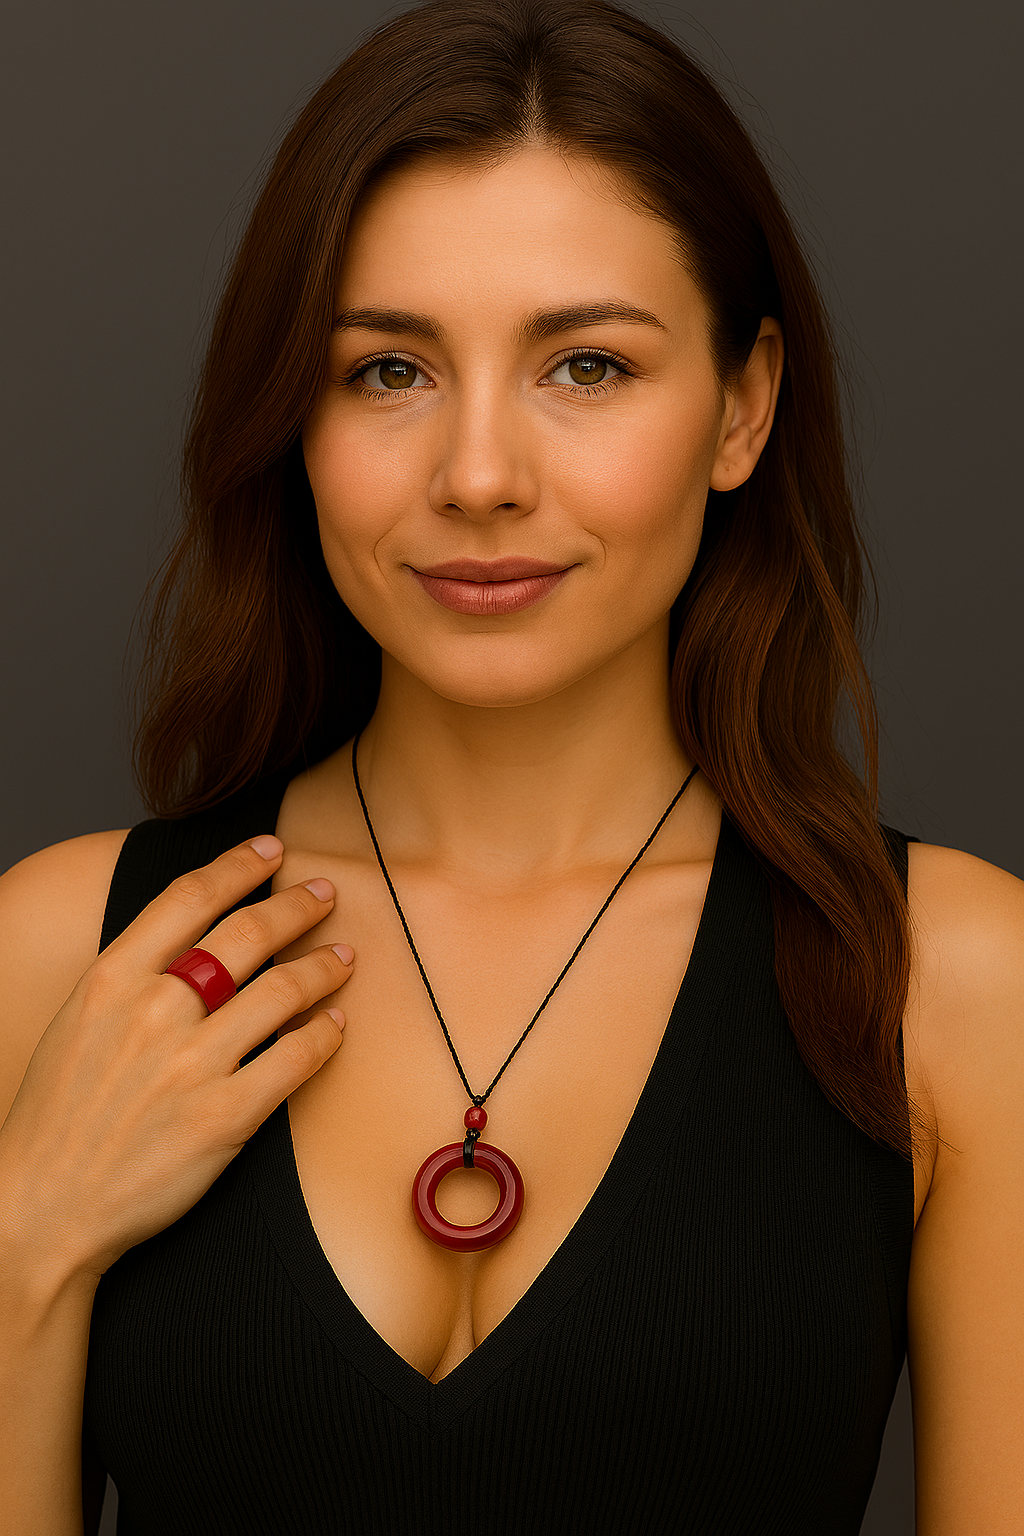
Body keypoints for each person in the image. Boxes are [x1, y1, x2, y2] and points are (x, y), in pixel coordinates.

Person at [1, 0, 1021, 1530]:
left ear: (742, 406)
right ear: (296, 415)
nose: (478, 475)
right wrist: (27, 1237)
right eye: (388, 373)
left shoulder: (957, 988)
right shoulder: (60, 955)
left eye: (588, 368)